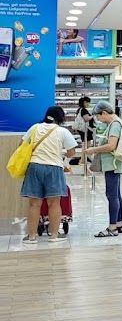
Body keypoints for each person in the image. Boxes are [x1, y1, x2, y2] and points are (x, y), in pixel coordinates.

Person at [19, 105, 78, 245]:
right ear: (60, 118)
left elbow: (21, 144)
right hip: (54, 168)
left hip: (35, 166)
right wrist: (62, 156)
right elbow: (72, 152)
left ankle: (32, 236)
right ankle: (54, 235)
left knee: (34, 204)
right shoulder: (62, 131)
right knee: (54, 203)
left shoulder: (35, 128)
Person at [83, 101, 122, 238]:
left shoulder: (114, 125)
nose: (99, 120)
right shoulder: (118, 122)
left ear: (105, 113)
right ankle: (119, 223)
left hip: (112, 163)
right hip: (115, 163)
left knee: (111, 195)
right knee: (116, 194)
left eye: (98, 117)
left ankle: (112, 227)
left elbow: (111, 146)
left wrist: (93, 150)